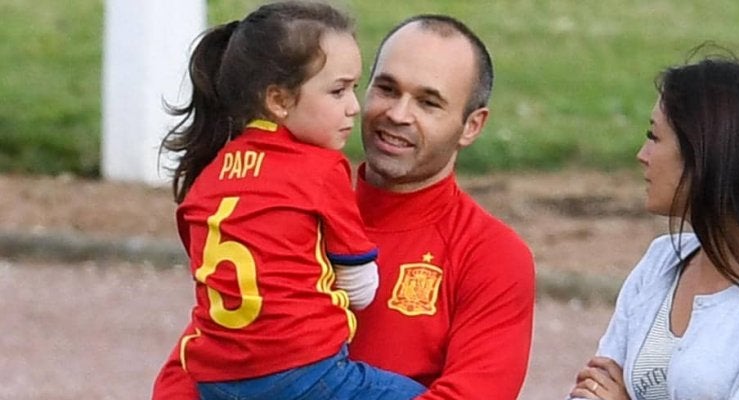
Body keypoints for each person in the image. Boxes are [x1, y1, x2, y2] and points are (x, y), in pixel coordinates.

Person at [153, 13, 536, 400]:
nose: (398, 114)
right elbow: (196, 367)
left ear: (472, 125)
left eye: (428, 102)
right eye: (386, 89)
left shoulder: (493, 256)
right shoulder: (284, 209)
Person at [153, 1, 424, 399]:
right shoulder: (319, 169)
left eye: (354, 89)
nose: (354, 107)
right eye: (338, 91)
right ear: (278, 100)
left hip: (216, 381)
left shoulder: (209, 177)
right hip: (301, 372)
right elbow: (360, 288)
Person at [569, 54, 739, 400]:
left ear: (708, 154)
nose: (642, 155)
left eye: (654, 137)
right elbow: (591, 389)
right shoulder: (662, 262)